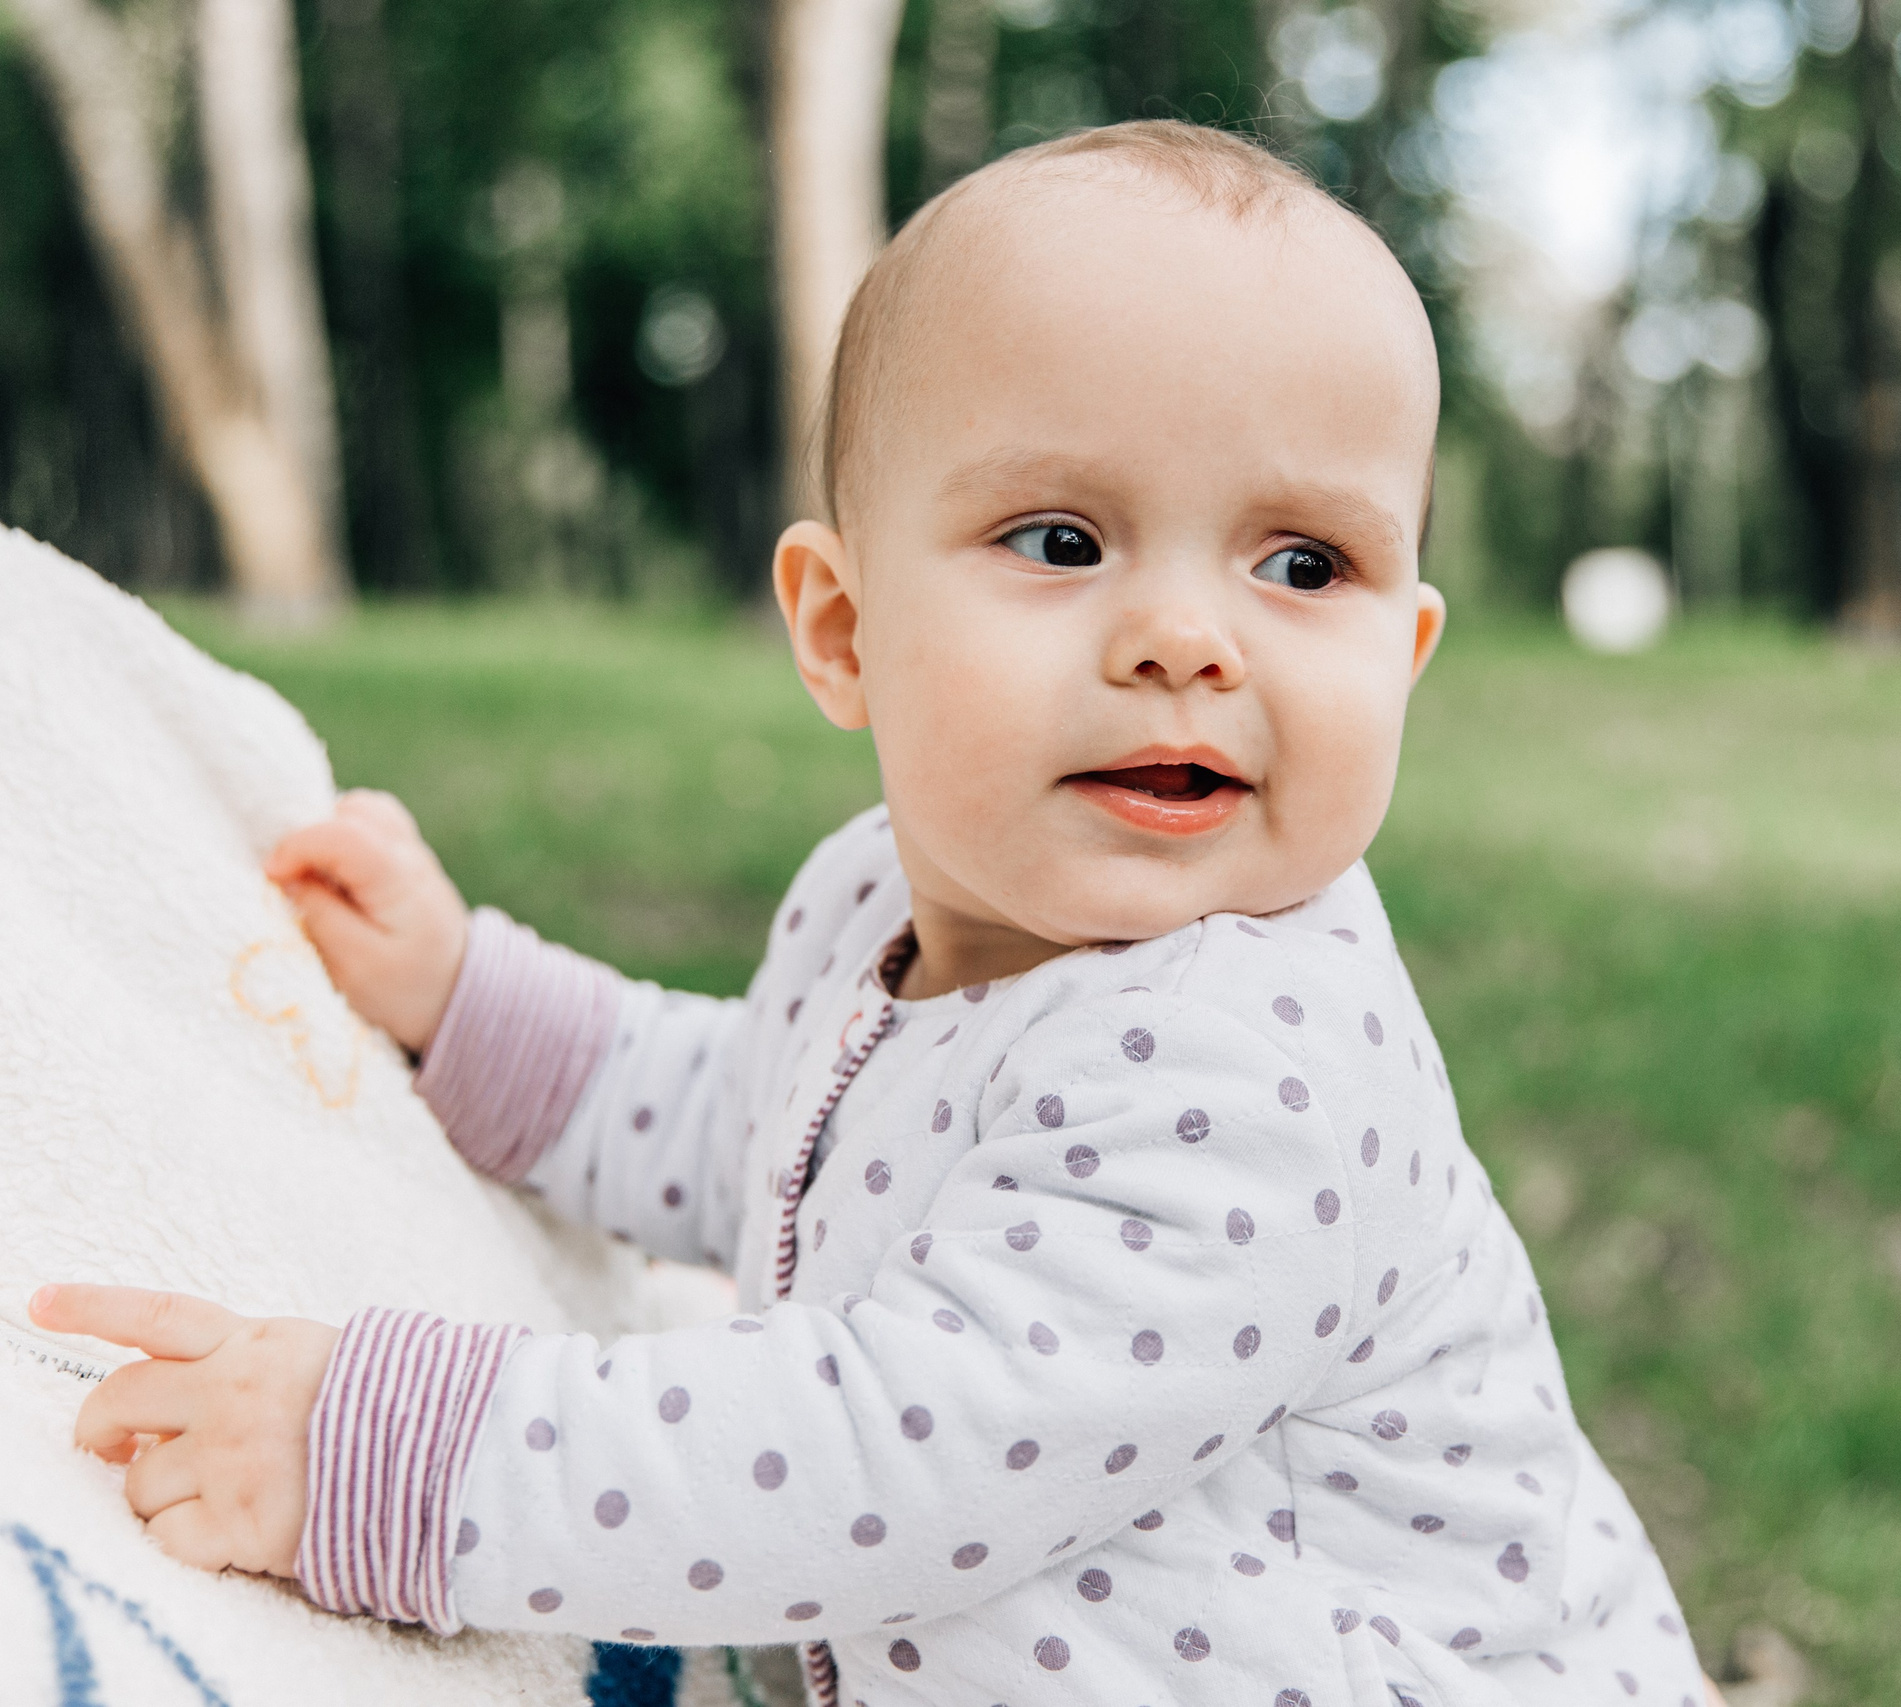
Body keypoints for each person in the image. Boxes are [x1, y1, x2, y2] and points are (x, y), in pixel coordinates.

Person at [35, 121, 1714, 1707]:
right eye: (1063, 538)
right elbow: (756, 1124)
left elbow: (880, 1455)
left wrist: (389, 1460)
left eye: (1302, 566)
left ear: (1404, 658)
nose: (1188, 640)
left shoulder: (1252, 1073)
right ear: (843, 631)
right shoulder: (876, 903)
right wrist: (471, 1004)